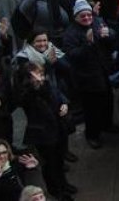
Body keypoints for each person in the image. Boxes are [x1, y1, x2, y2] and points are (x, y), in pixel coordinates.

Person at [60, 0, 117, 151]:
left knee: (108, 101)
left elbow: (112, 35)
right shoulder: (70, 34)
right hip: (87, 78)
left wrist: (109, 34)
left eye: (88, 15)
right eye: (82, 16)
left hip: (103, 71)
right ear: (76, 17)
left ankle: (107, 124)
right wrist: (88, 44)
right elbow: (72, 55)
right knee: (92, 109)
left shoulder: (98, 22)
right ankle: (92, 135)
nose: (87, 18)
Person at [14, 62, 74, 200]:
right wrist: (35, 85)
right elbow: (28, 100)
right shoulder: (26, 93)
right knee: (50, 164)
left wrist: (64, 103)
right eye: (35, 74)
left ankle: (63, 184)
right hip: (44, 134)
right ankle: (56, 190)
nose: (40, 77)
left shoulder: (46, 85)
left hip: (57, 126)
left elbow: (57, 94)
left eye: (40, 73)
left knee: (59, 160)